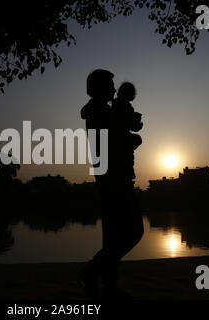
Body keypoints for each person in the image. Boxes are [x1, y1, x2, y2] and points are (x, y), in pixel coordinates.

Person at [79, 69, 144, 300]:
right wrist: (134, 140)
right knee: (134, 230)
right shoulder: (100, 113)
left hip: (112, 178)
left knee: (113, 235)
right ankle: (93, 271)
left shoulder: (103, 111)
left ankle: (108, 285)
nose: (114, 89)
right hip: (114, 179)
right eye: (110, 85)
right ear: (98, 87)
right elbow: (115, 144)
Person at [112, 81, 143, 181]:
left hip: (120, 140)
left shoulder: (116, 103)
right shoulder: (124, 106)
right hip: (121, 139)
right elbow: (131, 125)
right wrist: (138, 123)